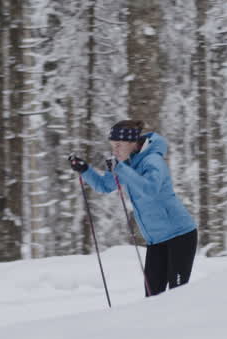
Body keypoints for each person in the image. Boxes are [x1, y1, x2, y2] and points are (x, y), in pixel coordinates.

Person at [68, 120, 198, 296]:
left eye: (119, 146)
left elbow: (150, 189)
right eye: (113, 146)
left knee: (177, 295)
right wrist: (84, 170)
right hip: (156, 241)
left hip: (180, 236)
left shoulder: (153, 161)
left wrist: (121, 169)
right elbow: (104, 185)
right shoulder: (126, 164)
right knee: (153, 297)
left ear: (132, 143)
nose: (115, 151)